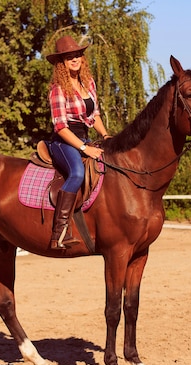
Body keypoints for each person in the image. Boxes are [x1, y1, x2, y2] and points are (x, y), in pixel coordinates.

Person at [45, 35, 110, 250]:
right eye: (69, 56)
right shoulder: (58, 88)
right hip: (64, 142)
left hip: (86, 137)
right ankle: (60, 232)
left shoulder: (87, 83)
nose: (75, 59)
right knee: (77, 173)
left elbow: (96, 115)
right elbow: (60, 127)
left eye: (78, 55)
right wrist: (84, 149)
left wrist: (106, 136)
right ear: (61, 62)